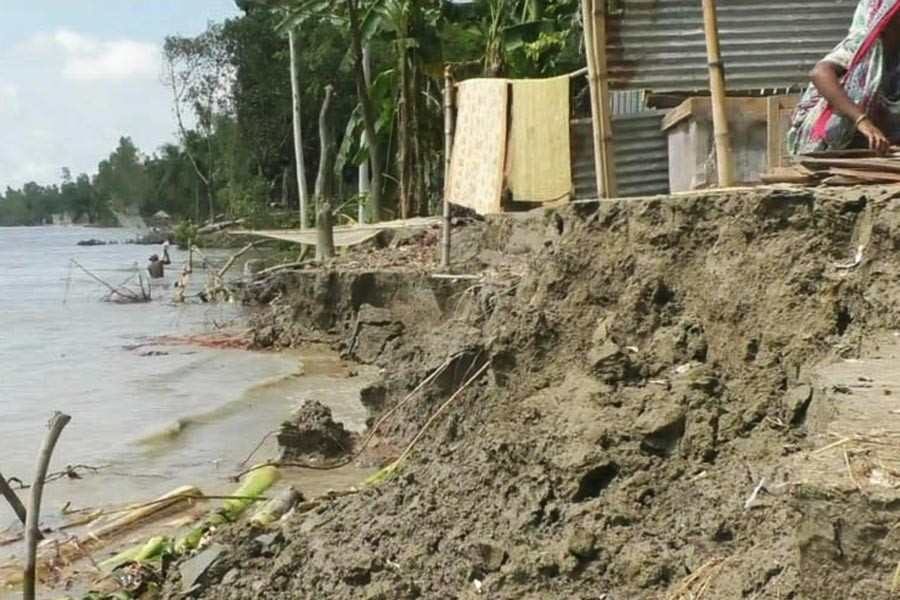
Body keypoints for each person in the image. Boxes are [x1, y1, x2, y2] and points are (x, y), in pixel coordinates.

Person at [789, 0, 900, 154]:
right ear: (886, 16)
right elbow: (819, 73)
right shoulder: (860, 47)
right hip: (842, 144)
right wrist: (862, 121)